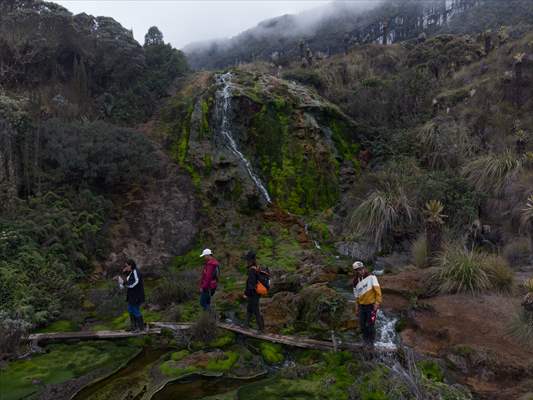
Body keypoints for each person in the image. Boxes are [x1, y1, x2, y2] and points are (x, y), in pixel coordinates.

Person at [352, 261, 382, 348]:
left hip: (371, 306)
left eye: (362, 268)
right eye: (358, 270)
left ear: (364, 268)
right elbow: (356, 297)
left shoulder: (372, 277)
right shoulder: (355, 282)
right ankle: (365, 342)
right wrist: (356, 308)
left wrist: (377, 302)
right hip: (362, 306)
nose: (361, 271)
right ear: (355, 271)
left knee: (370, 324)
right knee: (362, 325)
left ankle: (371, 343)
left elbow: (378, 291)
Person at [118, 259, 146, 332]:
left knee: (135, 310)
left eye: (126, 266)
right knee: (130, 309)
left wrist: (124, 283)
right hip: (131, 295)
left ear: (131, 265)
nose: (125, 267)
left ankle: (140, 328)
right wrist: (124, 273)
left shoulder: (136, 272)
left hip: (137, 295)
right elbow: (128, 280)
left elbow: (134, 283)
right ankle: (133, 327)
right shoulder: (130, 272)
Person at [243, 251, 266, 332]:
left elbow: (251, 285)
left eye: (247, 259)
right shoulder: (256, 267)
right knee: (249, 309)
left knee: (256, 311)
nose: (246, 261)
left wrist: (246, 294)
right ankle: (245, 325)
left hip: (253, 294)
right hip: (256, 293)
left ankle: (261, 329)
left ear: (251, 260)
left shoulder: (252, 270)